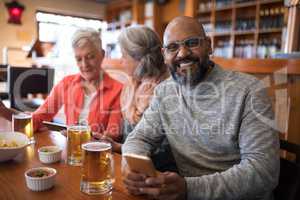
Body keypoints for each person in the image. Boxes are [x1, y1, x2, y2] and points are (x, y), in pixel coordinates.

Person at [122, 16, 279, 200]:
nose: (182, 53)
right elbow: (139, 137)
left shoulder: (249, 91)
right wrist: (132, 164)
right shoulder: (164, 92)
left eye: (192, 43)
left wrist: (189, 188)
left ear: (209, 46)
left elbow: (264, 172)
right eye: (173, 47)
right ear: (164, 55)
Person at [0, 28, 123, 141]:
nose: (84, 65)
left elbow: (113, 137)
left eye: (90, 57)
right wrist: (3, 110)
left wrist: (76, 136)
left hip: (98, 158)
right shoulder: (66, 83)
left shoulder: (118, 90)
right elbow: (37, 119)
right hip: (71, 154)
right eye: (78, 59)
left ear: (102, 54)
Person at [98, 25, 177, 172]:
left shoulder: (168, 91)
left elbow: (166, 153)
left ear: (140, 60)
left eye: (124, 55)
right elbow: (126, 131)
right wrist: (108, 137)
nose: (121, 61)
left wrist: (119, 147)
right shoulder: (131, 84)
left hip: (157, 174)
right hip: (129, 163)